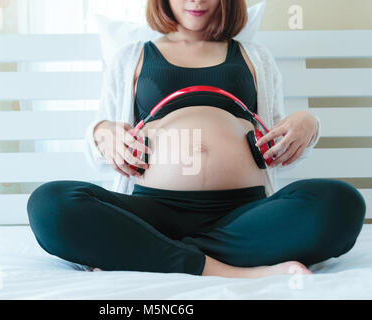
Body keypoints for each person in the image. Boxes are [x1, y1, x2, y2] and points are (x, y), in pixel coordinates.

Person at [27, 0, 366, 278]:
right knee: (50, 205)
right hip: (150, 211)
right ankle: (224, 269)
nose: (196, 0)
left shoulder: (255, 57)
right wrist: (102, 133)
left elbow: (277, 136)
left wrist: (308, 124)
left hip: (244, 214)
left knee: (342, 203)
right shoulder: (132, 56)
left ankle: (146, 251)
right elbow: (101, 142)